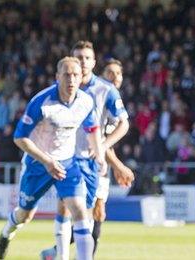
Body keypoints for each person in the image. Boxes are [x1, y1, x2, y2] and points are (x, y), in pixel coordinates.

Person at [0, 57, 106, 260]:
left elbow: (92, 128)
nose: (71, 80)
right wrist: (47, 161)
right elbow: (19, 138)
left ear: (82, 78)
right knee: (25, 215)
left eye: (75, 75)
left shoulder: (85, 101)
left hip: (67, 163)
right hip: (38, 164)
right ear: (57, 77)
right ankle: (7, 232)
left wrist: (99, 152)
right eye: (66, 75)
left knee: (80, 211)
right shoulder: (42, 102)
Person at [41, 44, 134, 260]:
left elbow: (123, 124)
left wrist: (102, 147)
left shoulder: (106, 90)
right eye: (78, 58)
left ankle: (69, 255)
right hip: (66, 158)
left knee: (93, 213)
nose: (82, 62)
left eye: (86, 58)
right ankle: (60, 255)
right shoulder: (60, 89)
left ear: (94, 62)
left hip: (93, 162)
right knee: (65, 207)